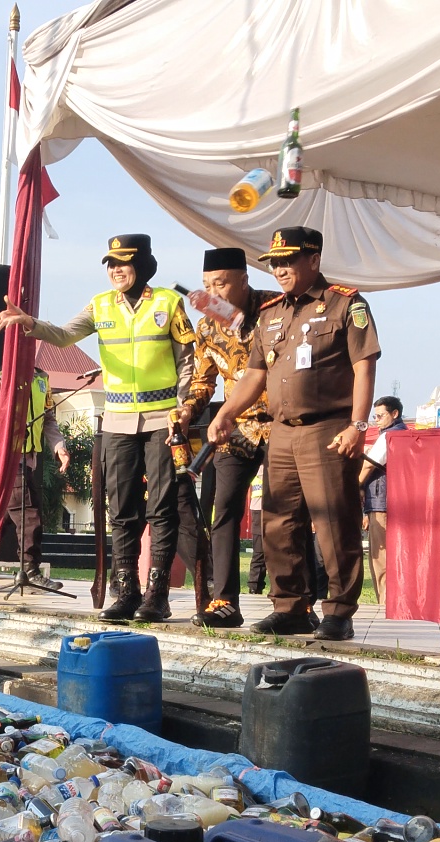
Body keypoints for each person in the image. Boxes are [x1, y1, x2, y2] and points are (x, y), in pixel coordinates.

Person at [0, 234, 196, 621]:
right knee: (121, 509)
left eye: (123, 262)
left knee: (162, 508)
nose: (115, 270)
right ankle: (127, 591)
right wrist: (29, 322)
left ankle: (157, 595)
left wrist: (183, 408)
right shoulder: (100, 305)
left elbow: (187, 361)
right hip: (116, 421)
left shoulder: (169, 302)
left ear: (144, 265)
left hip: (162, 418)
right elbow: (65, 336)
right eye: (110, 263)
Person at [209, 227, 378, 641]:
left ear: (314, 259)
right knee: (278, 523)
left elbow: (364, 366)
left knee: (333, 521)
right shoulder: (271, 313)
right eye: (275, 263)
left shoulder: (345, 304)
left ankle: (339, 611)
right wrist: (228, 412)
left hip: (328, 428)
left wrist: (359, 426)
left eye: (288, 260)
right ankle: (290, 608)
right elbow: (255, 375)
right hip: (280, 432)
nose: (280, 269)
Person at [182, 247, 280, 628]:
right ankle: (223, 600)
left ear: (243, 279)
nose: (214, 292)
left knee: (280, 513)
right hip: (234, 426)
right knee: (223, 512)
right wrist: (188, 409)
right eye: (207, 285)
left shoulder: (275, 310)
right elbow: (203, 380)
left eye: (220, 283)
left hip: (279, 423)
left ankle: (292, 603)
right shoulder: (207, 325)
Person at [0, 367, 71, 591]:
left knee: (2, 518)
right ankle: (29, 570)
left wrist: (60, 447)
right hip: (6, 458)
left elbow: (48, 418)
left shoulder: (41, 378)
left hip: (28, 459)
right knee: (29, 513)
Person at [359, 396, 406, 596]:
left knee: (381, 559)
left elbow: (369, 464)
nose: (376, 420)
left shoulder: (389, 436)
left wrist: (355, 485)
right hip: (395, 500)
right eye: (374, 416)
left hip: (381, 502)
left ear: (394, 414)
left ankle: (385, 604)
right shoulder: (404, 433)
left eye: (380, 415)